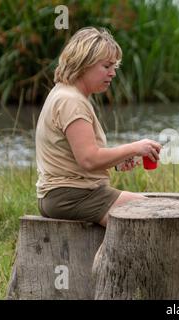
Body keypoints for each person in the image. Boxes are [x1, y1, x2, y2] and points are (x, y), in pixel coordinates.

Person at [35, 27, 162, 227]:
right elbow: (88, 159)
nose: (112, 73)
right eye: (106, 66)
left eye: (114, 67)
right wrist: (136, 147)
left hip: (65, 194)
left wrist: (117, 161)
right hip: (72, 196)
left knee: (149, 209)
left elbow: (76, 157)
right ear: (84, 64)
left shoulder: (64, 93)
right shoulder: (71, 102)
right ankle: (109, 259)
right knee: (154, 214)